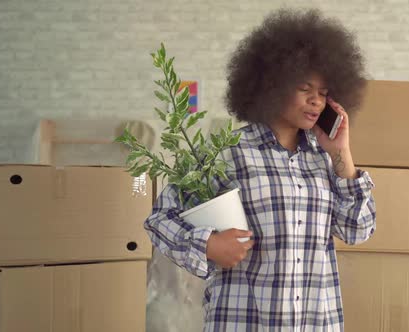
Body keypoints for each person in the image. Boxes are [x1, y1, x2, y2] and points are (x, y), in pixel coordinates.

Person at [145, 8, 376, 331]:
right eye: (305, 89)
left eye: (323, 94)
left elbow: (357, 230)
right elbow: (159, 218)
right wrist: (208, 245)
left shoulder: (323, 159)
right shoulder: (225, 152)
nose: (316, 102)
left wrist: (342, 153)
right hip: (245, 322)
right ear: (273, 84)